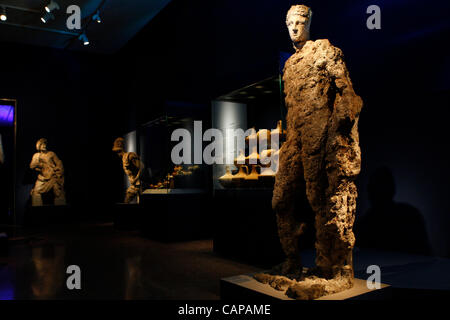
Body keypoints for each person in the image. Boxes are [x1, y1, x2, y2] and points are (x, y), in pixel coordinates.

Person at [272, 4, 363, 285]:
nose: (295, 28)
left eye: (300, 22)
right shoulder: (288, 66)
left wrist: (340, 136)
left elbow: (348, 95)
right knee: (280, 200)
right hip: (295, 138)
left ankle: (334, 269)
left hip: (320, 137)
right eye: (290, 24)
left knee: (322, 201)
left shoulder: (323, 50)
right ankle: (292, 261)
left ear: (309, 23)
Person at [30, 138, 66, 206]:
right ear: (38, 146)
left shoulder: (51, 154)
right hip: (42, 178)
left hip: (53, 176)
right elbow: (32, 166)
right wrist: (39, 165)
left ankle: (61, 211)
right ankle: (36, 211)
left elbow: (59, 163)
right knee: (35, 192)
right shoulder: (36, 156)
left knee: (58, 193)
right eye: (42, 144)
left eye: (45, 144)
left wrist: (58, 172)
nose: (44, 146)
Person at [112, 137, 143, 204]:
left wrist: (136, 179)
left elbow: (142, 167)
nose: (118, 154)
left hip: (139, 184)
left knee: (127, 199)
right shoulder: (123, 159)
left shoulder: (130, 156)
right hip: (134, 184)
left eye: (118, 151)